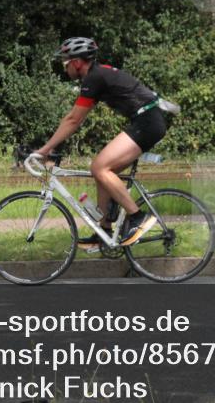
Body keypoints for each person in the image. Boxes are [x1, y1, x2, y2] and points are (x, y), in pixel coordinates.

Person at [33, 37, 167, 251]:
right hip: (146, 120)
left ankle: (138, 218)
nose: (64, 67)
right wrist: (52, 146)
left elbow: (73, 121)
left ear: (77, 62)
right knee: (102, 171)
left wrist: (45, 149)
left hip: (148, 121)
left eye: (65, 62)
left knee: (100, 167)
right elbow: (72, 118)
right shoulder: (97, 76)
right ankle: (104, 230)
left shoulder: (94, 78)